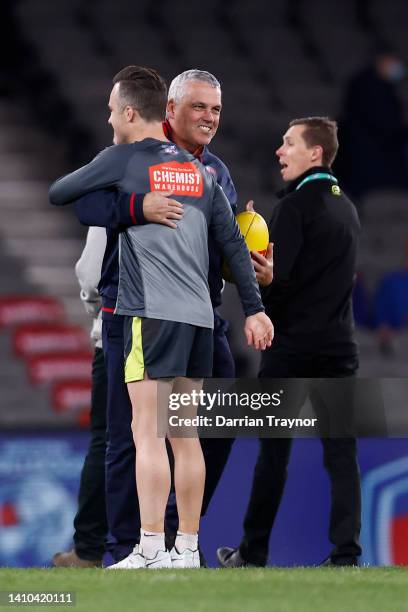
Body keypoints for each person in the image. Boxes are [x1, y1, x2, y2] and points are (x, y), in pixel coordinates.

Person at [50, 65, 274, 569]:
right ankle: (179, 548)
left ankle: (151, 547)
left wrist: (132, 203)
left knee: (145, 432)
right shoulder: (203, 175)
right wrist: (256, 311)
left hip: (148, 311)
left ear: (130, 113)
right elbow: (232, 245)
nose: (210, 117)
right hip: (190, 314)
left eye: (216, 109)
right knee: (177, 434)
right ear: (167, 110)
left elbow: (66, 196)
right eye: (200, 107)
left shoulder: (128, 159)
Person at [217, 117, 362, 568]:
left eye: (289, 143)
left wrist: (259, 279)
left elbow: (281, 286)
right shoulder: (347, 208)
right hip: (339, 349)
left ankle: (253, 551)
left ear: (315, 153)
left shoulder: (296, 208)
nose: (280, 151)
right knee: (341, 453)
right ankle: (346, 554)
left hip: (292, 349)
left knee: (273, 454)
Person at [53, 227, 108, 568]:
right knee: (172, 441)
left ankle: (88, 550)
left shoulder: (121, 180)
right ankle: (174, 546)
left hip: (118, 332)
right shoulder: (204, 184)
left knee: (107, 441)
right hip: (188, 331)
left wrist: (98, 313)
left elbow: (91, 275)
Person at [336, 44, 408, 199]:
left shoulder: (383, 86)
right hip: (368, 155)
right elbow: (383, 123)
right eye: (392, 61)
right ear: (381, 61)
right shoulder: (367, 86)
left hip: (375, 153)